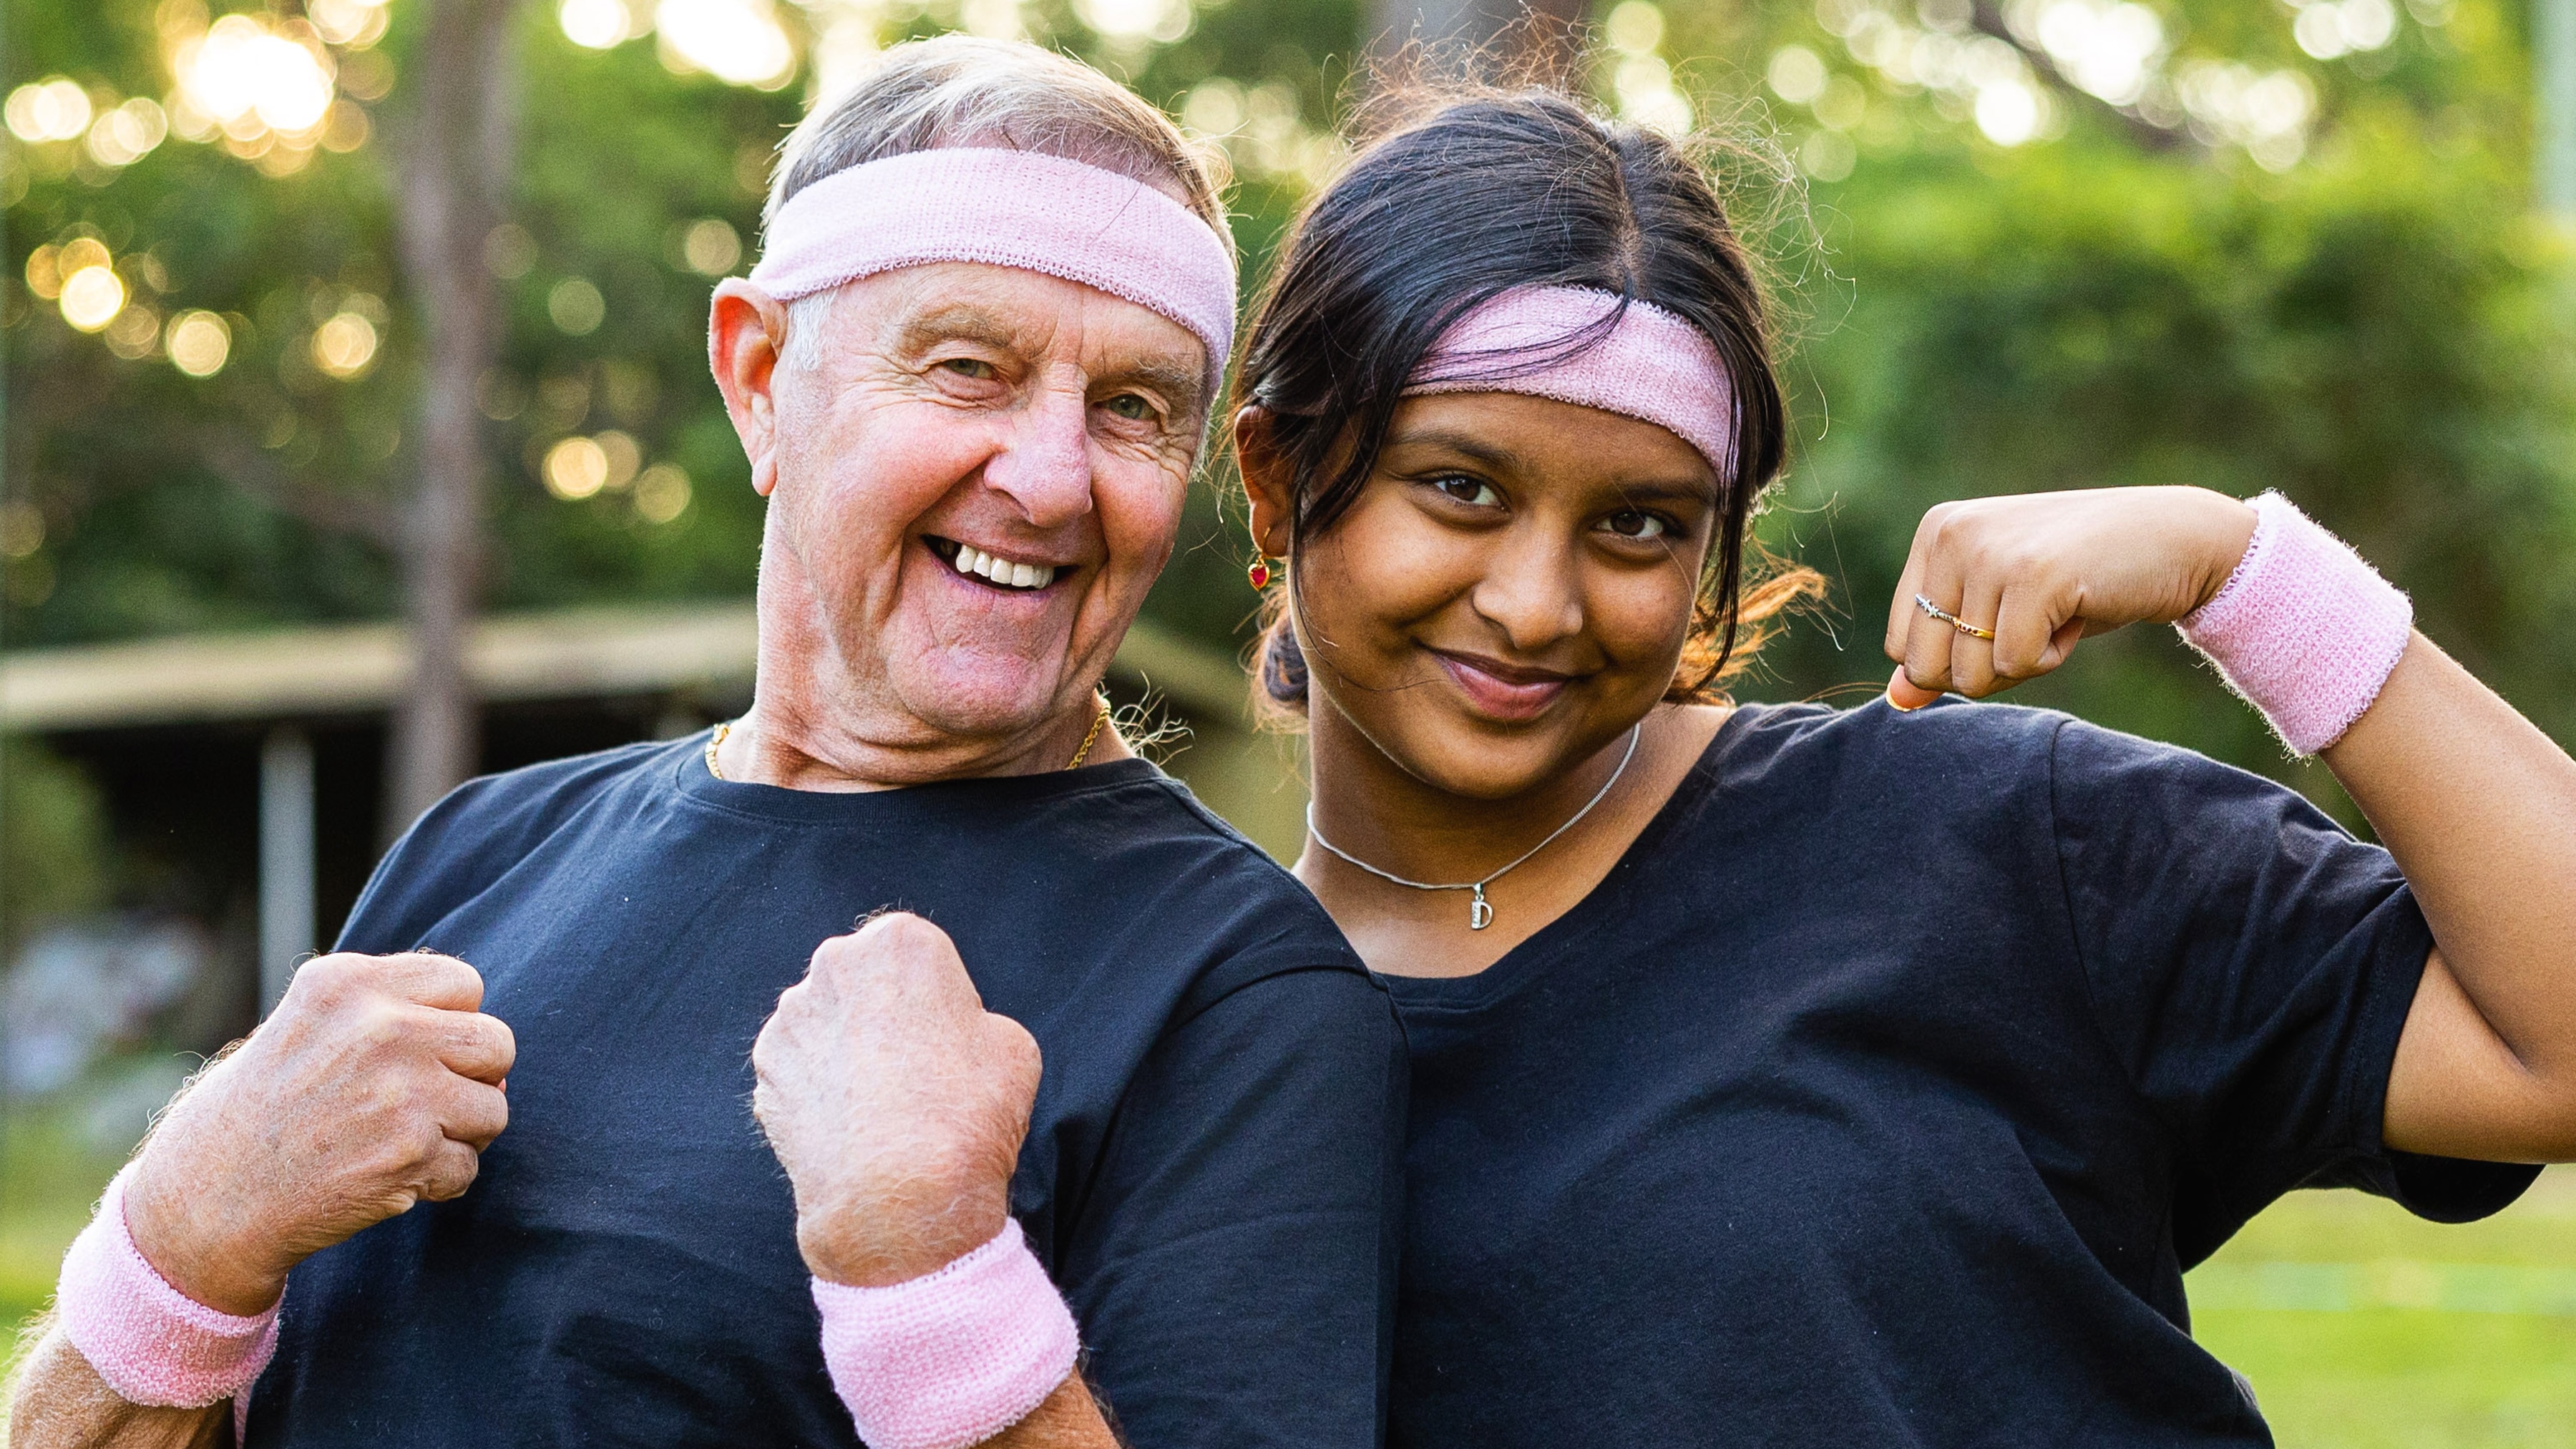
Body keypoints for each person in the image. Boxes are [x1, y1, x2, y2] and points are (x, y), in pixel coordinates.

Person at [8, 37, 1403, 1449]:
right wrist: (178, 1236)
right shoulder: (478, 851)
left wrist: (930, 1273)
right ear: (758, 379)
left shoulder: (1242, 996)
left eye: (1133, 408)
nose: (1050, 480)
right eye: (970, 367)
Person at [1231, 86, 2576, 1445]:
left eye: (1637, 523)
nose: (1537, 602)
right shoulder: (1183, 1031)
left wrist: (2244, 573)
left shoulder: (1987, 844)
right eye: (1461, 487)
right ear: (1278, 477)